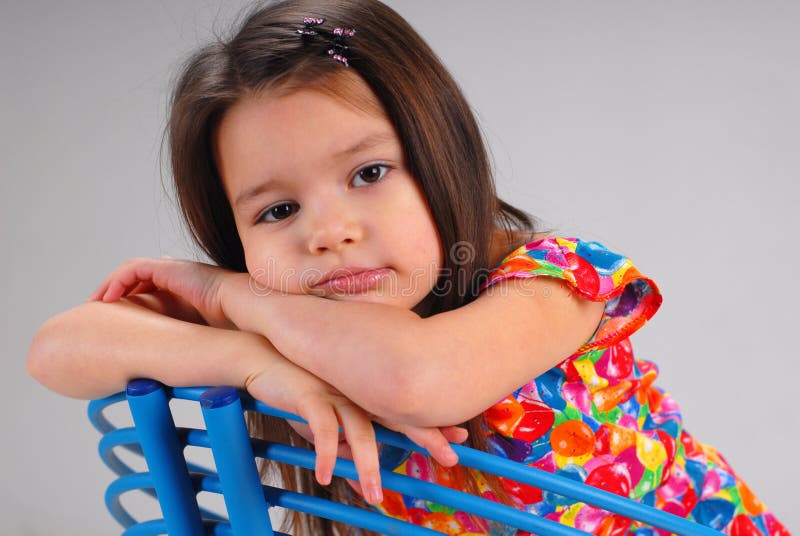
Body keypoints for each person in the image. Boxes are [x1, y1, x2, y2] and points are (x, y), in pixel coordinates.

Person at [26, 1, 788, 535]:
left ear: (440, 155)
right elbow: (57, 351)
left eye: (368, 174)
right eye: (276, 211)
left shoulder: (558, 283)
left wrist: (228, 296)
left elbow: (416, 382)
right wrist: (248, 361)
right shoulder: (285, 320)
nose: (330, 233)